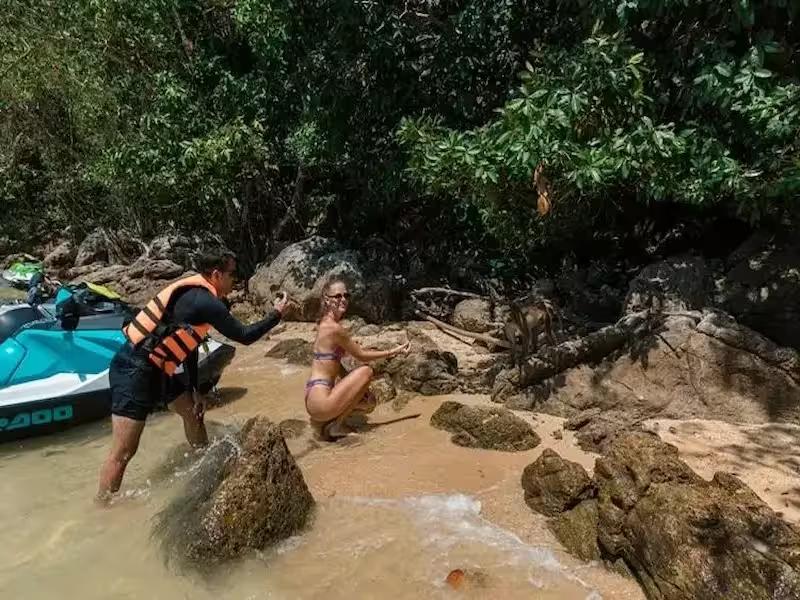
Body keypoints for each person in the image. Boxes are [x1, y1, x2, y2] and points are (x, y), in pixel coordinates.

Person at [96, 249, 289, 504]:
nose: (235, 280)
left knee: (194, 414)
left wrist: (195, 389)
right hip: (133, 369)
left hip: (158, 368)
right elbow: (245, 335)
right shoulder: (204, 301)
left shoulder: (198, 299)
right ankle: (103, 506)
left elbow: (187, 345)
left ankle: (201, 465)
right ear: (217, 274)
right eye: (233, 274)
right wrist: (276, 314)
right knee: (123, 452)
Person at [305, 279, 409, 440]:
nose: (343, 299)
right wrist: (394, 351)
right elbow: (361, 355)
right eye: (337, 296)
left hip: (313, 399)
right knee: (367, 371)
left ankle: (328, 421)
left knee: (369, 402)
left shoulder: (324, 323)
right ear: (327, 299)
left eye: (346, 295)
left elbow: (332, 361)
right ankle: (336, 426)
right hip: (321, 401)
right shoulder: (334, 328)